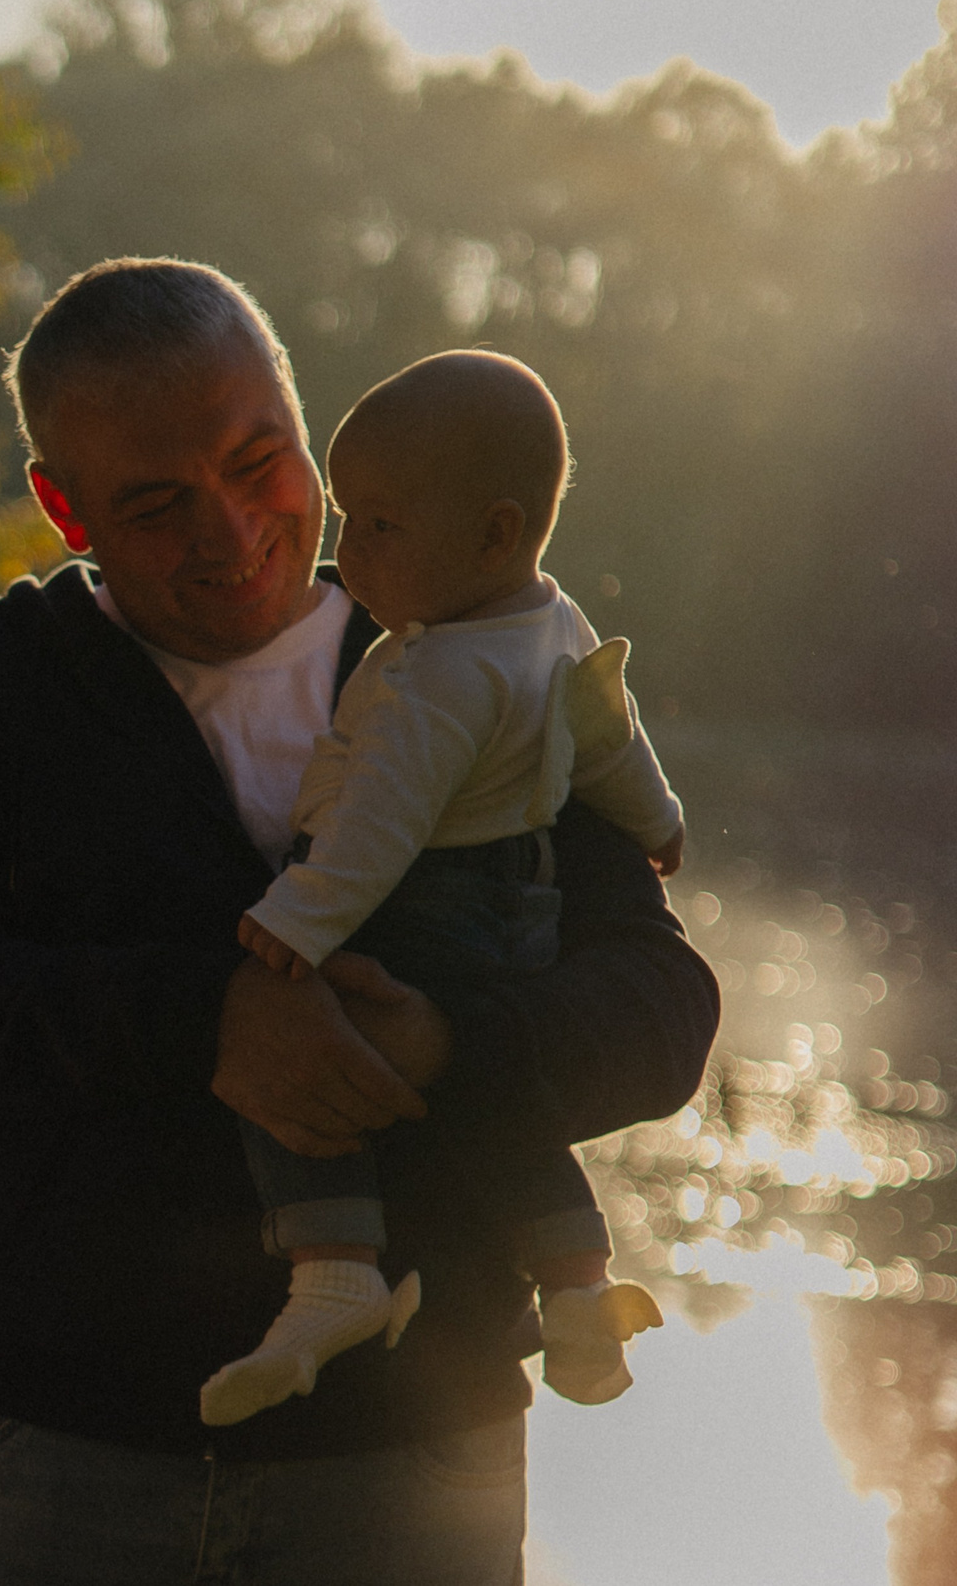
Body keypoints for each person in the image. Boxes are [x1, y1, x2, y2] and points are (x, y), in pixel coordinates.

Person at [0, 258, 718, 1584]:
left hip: (418, 1459)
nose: (235, 528)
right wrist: (205, 1020)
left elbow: (659, 1011)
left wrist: (446, 1048)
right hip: (42, 1443)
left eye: (260, 463)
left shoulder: (501, 656)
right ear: (62, 506)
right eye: (156, 501)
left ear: (305, 424)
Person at [204, 349, 684, 1427]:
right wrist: (659, 822)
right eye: (343, 518)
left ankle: (334, 1272)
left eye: (377, 526)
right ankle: (575, 1286)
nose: (344, 551)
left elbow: (381, 821)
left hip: (425, 901)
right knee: (503, 1113)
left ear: (493, 534)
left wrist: (297, 922)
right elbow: (609, 737)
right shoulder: (551, 624)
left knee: (306, 1066)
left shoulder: (436, 676)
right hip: (525, 906)